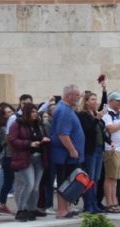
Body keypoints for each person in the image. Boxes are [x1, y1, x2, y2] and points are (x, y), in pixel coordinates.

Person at [6, 103, 48, 222]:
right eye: (32, 112)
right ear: (26, 113)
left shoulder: (39, 125)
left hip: (39, 157)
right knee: (28, 184)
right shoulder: (17, 124)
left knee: (35, 187)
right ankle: (21, 209)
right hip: (25, 158)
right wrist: (28, 143)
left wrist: (44, 139)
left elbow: (42, 135)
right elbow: (12, 140)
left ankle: (32, 209)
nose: (35, 114)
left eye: (36, 112)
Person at [48, 85, 84, 219]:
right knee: (64, 181)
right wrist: (72, 149)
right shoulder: (64, 110)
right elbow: (63, 134)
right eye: (77, 95)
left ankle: (66, 207)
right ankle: (62, 210)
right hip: (63, 154)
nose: (79, 97)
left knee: (68, 181)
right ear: (69, 95)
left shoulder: (67, 109)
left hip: (67, 154)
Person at [101, 91, 120, 213]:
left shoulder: (118, 115)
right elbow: (110, 129)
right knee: (110, 177)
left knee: (115, 178)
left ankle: (114, 201)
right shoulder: (108, 115)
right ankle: (110, 202)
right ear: (111, 101)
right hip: (111, 149)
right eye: (117, 101)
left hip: (119, 149)